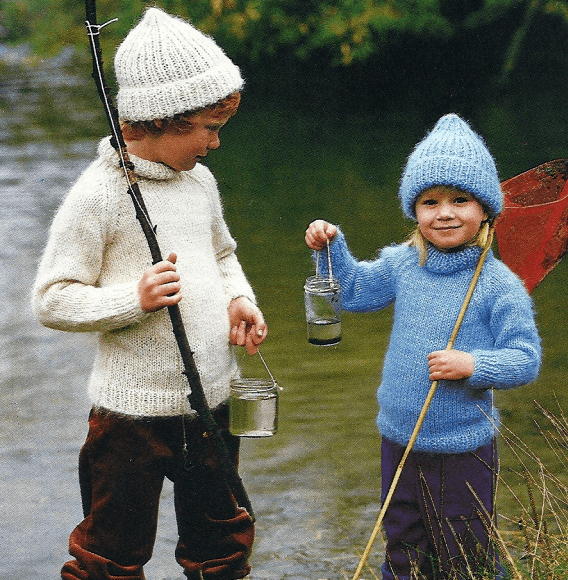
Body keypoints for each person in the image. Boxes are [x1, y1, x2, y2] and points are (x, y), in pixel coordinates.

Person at [32, 7, 267, 580]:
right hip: (129, 417)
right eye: (207, 129)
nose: (215, 144)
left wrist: (240, 299)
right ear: (158, 121)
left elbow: (223, 256)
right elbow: (53, 299)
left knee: (222, 543)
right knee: (110, 554)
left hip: (212, 400)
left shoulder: (200, 183)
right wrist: (131, 299)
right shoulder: (99, 196)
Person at [305, 113, 541, 579]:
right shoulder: (402, 263)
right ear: (414, 210)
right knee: (403, 541)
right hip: (398, 435)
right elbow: (352, 293)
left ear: (486, 209)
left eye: (460, 199)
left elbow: (525, 359)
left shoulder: (497, 284)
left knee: (464, 547)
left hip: (463, 445)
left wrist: (473, 363)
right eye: (429, 201)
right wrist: (330, 248)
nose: (445, 212)